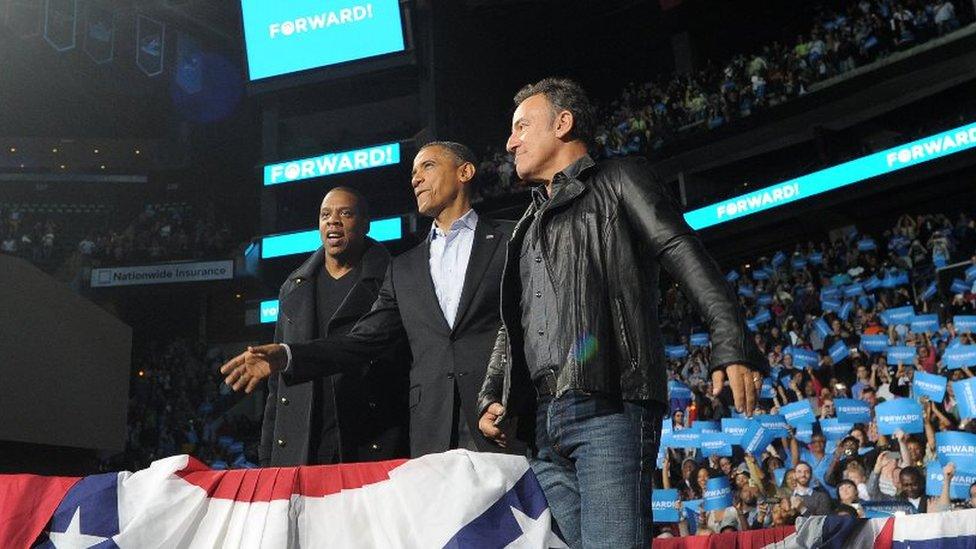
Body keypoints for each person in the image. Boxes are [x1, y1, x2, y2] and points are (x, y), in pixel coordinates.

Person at [477, 77, 765, 547]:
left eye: (522, 127)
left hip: (609, 407)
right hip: (543, 429)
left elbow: (682, 251)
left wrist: (730, 338)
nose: (510, 142)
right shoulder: (523, 227)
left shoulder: (619, 180)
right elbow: (515, 326)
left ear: (563, 124)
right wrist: (494, 392)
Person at [222, 142, 519, 457]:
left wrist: (512, 398)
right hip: (430, 431)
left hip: (499, 419)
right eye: (413, 172)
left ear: (465, 172)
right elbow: (362, 340)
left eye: (427, 166)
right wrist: (288, 355)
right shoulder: (405, 267)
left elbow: (524, 326)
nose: (416, 179)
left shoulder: (513, 239)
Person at [259, 187, 408, 466]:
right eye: (325, 214)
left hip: (369, 441)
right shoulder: (292, 287)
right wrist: (267, 460)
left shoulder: (395, 277)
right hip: (302, 448)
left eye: (345, 213)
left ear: (365, 224)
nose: (333, 221)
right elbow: (276, 389)